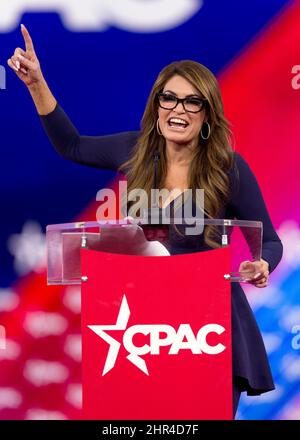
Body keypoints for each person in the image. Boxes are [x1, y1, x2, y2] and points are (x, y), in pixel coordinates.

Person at [8, 24, 283, 418]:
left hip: (208, 330)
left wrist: (262, 264)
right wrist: (37, 84)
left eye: (192, 102)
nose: (178, 110)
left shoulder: (228, 169)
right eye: (169, 98)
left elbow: (271, 242)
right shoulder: (134, 150)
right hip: (147, 330)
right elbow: (71, 144)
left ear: (207, 114)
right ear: (157, 106)